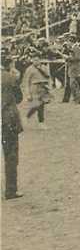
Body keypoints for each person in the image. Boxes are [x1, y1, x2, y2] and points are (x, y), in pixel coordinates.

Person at [2, 56, 24, 200]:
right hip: (7, 119)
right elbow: (19, 97)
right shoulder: (10, 77)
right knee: (10, 155)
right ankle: (10, 190)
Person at [20, 56, 51, 129]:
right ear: (32, 60)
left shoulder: (43, 67)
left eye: (37, 60)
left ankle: (40, 122)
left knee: (41, 105)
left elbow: (48, 76)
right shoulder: (29, 69)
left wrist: (48, 88)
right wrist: (28, 94)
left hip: (43, 88)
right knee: (36, 105)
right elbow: (26, 81)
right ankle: (27, 117)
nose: (36, 61)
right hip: (34, 88)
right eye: (34, 60)